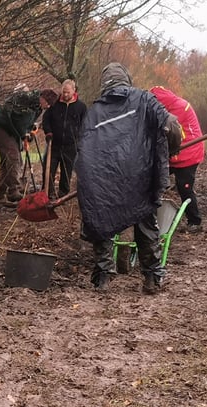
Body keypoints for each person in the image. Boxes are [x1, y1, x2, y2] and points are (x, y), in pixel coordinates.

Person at [76, 63, 176, 295]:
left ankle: (103, 278)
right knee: (145, 224)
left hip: (104, 181)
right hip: (138, 178)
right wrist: (169, 153)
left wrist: (88, 180)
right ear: (126, 79)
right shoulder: (144, 99)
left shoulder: (95, 112)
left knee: (100, 221)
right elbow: (171, 124)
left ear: (104, 83)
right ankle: (151, 277)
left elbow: (84, 150)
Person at [0, 86, 58, 205]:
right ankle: (13, 190)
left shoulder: (37, 107)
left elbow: (27, 123)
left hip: (10, 129)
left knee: (7, 161)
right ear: (44, 99)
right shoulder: (26, 99)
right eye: (48, 104)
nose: (48, 107)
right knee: (13, 157)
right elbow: (20, 122)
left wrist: (28, 132)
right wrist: (24, 134)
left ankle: (0, 195)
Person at [151, 86, 204, 233]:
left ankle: (195, 221)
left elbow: (168, 133)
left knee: (185, 188)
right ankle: (152, 215)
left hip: (189, 154)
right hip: (176, 154)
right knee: (153, 179)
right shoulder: (169, 106)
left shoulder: (178, 109)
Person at [42, 78, 86, 198]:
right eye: (64, 92)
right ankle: (47, 193)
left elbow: (84, 124)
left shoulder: (81, 107)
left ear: (74, 91)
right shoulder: (55, 105)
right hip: (54, 143)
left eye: (68, 92)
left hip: (70, 145)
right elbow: (46, 120)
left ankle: (63, 193)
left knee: (66, 171)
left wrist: (80, 139)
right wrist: (48, 132)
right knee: (49, 168)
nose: (65, 94)